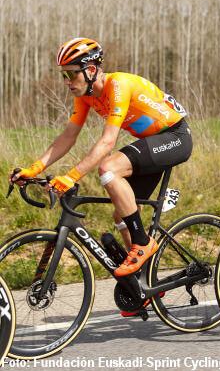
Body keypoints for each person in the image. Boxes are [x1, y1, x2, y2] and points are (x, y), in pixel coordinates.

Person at [8, 38, 192, 279]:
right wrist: (34, 168)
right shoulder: (84, 95)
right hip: (153, 143)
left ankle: (142, 245)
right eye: (64, 75)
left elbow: (107, 142)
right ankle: (143, 282)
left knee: (109, 168)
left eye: (72, 74)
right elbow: (68, 136)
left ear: (91, 70)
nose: (67, 82)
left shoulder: (118, 85)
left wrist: (72, 177)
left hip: (175, 137)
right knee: (122, 213)